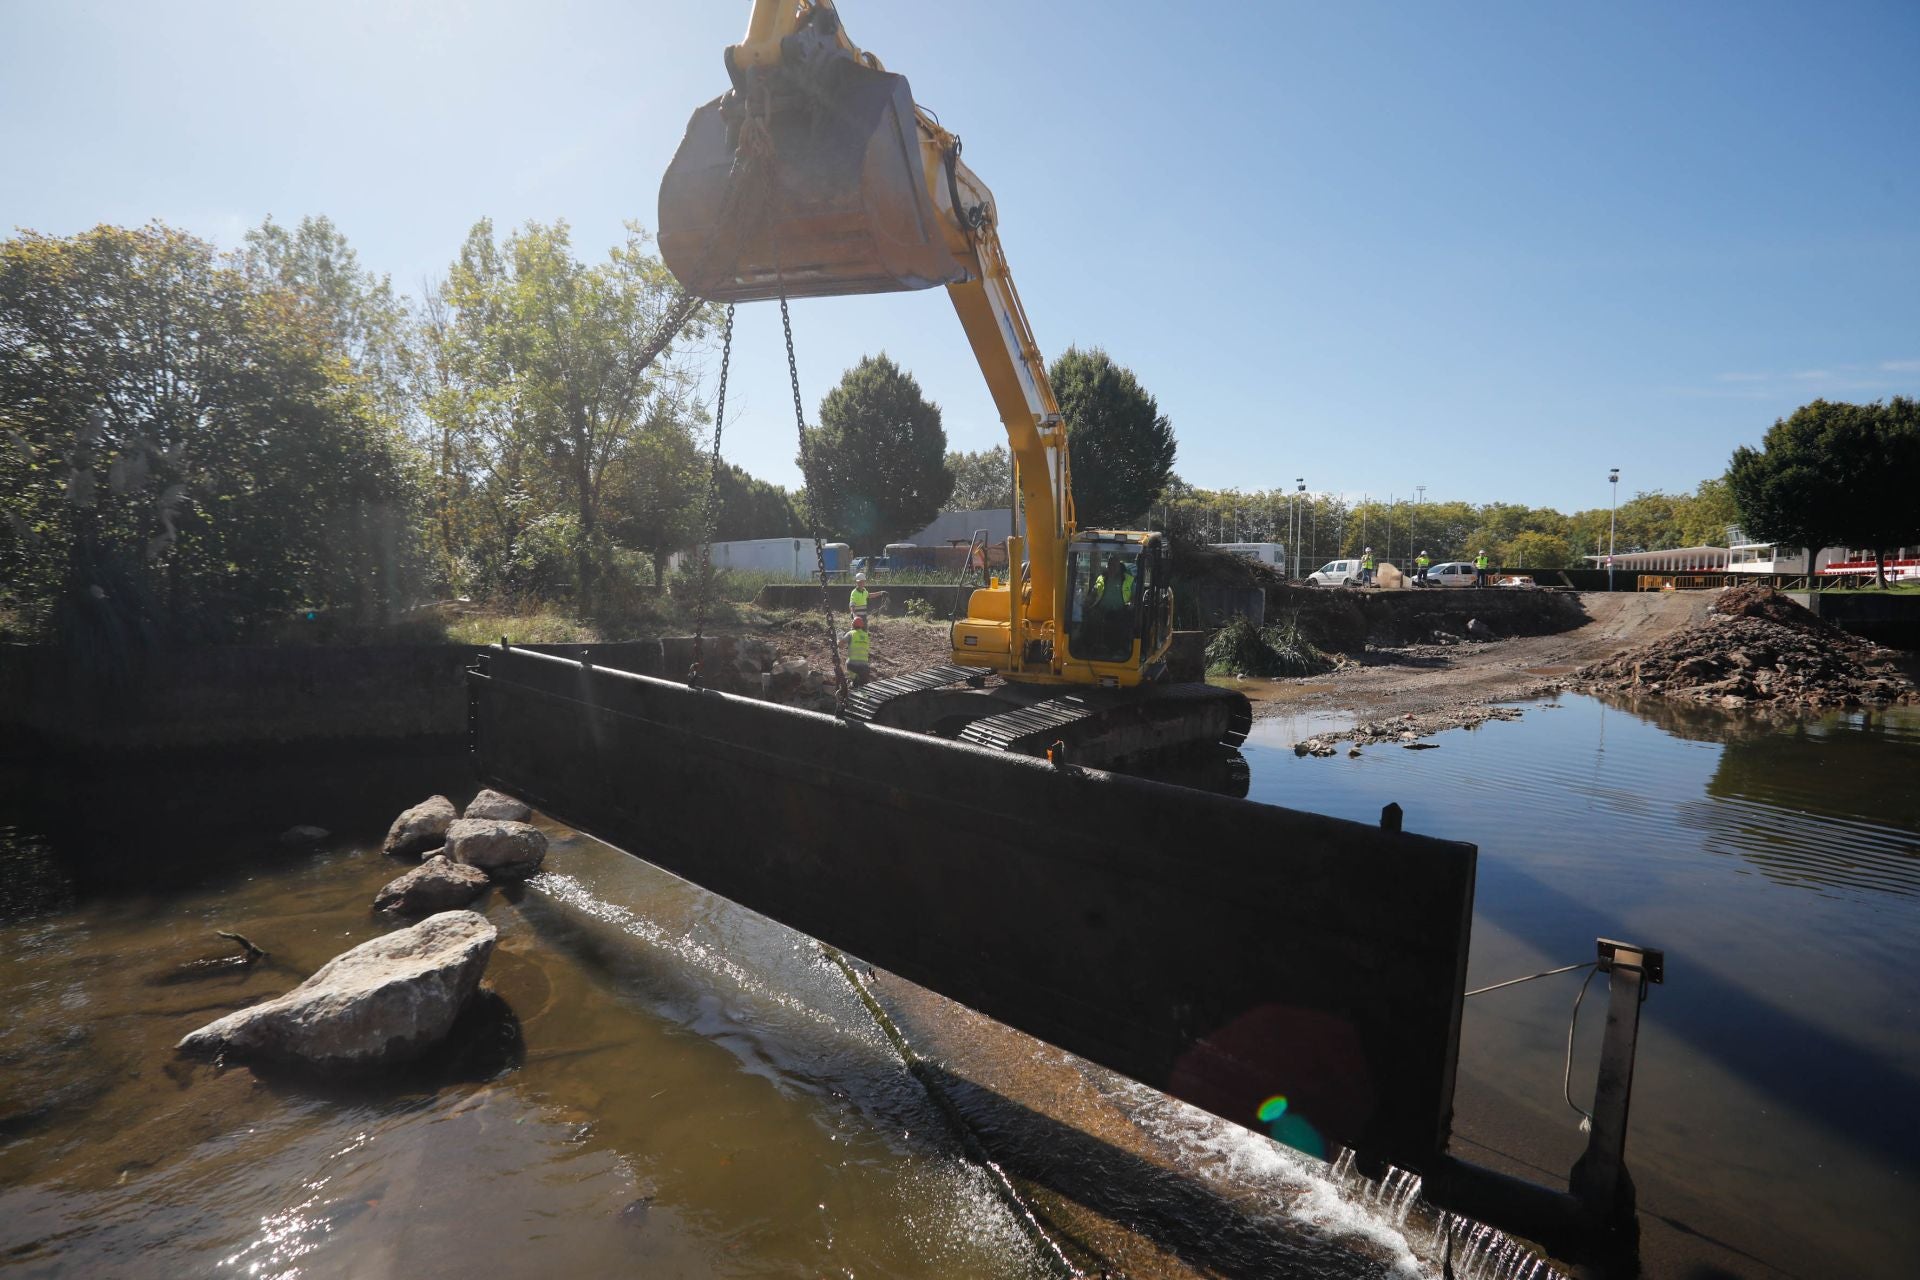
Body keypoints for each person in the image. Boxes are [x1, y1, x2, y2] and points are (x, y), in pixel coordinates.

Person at [843, 614, 872, 685]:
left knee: (847, 663)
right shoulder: (866, 635)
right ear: (862, 625)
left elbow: (840, 645)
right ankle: (859, 682)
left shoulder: (850, 633)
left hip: (852, 665)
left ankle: (854, 677)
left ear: (852, 625)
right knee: (864, 685)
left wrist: (838, 638)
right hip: (864, 666)